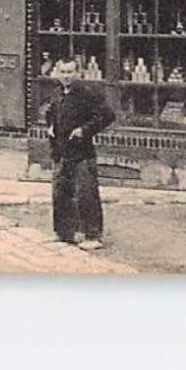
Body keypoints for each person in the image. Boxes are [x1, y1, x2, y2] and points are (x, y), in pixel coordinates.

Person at [46, 57, 115, 249]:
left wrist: (84, 130)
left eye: (70, 72)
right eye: (63, 72)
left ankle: (93, 236)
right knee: (61, 193)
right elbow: (50, 112)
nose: (67, 76)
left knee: (86, 193)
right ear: (58, 73)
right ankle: (64, 233)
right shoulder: (57, 93)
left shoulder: (87, 94)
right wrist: (50, 125)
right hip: (60, 152)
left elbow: (107, 115)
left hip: (81, 153)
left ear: (77, 73)